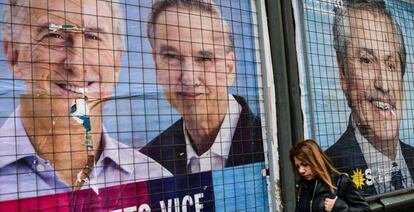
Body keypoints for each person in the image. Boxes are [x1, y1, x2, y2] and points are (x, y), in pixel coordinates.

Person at [0, 0, 171, 201]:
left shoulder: (154, 179)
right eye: (54, 36)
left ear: (117, 62)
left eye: (93, 37)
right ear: (14, 56)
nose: (77, 65)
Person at [139, 0, 264, 175]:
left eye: (204, 58)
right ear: (156, 64)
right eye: (172, 57)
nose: (189, 78)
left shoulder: (269, 145)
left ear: (229, 68)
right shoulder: (146, 163)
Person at [326, 0, 414, 195]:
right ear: (343, 74)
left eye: (391, 65)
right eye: (366, 60)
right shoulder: (328, 170)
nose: (383, 83)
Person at [291, 140, 370, 212]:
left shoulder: (340, 182)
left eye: (305, 164)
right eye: (298, 166)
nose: (301, 170)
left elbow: (365, 210)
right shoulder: (302, 186)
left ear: (316, 161)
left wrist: (340, 208)